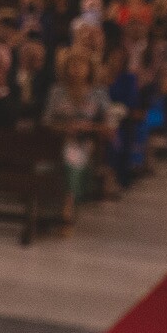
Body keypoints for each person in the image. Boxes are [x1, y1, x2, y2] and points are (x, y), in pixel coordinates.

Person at [43, 46, 118, 220]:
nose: (76, 68)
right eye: (72, 64)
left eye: (80, 64)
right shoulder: (57, 91)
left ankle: (68, 205)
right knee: (65, 152)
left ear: (89, 68)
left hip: (86, 141)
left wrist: (88, 127)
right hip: (58, 139)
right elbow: (46, 120)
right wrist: (64, 127)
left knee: (73, 155)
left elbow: (109, 125)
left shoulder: (98, 93)